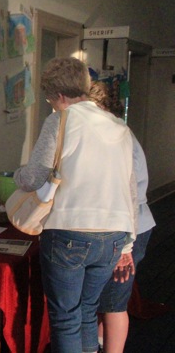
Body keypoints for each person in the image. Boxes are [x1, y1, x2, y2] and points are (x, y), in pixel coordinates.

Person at [13, 57, 137, 353]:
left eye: (49, 100)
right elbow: (129, 189)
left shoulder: (60, 120)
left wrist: (16, 176)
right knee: (87, 310)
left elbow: (32, 177)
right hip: (113, 236)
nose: (51, 105)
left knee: (66, 318)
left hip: (70, 232)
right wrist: (128, 245)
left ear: (59, 96)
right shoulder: (119, 126)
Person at [90, 81, 155, 353]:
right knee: (108, 300)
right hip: (127, 226)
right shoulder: (116, 133)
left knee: (114, 303)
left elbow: (127, 194)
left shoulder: (117, 136)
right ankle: (100, 342)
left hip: (129, 228)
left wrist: (124, 246)